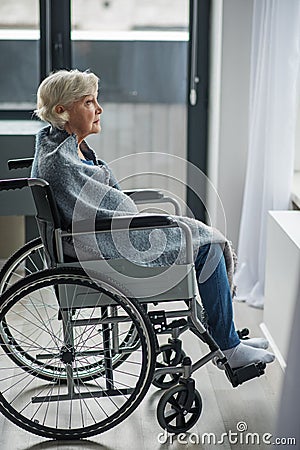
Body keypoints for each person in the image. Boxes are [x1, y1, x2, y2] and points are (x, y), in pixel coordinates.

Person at [31, 69, 275, 370]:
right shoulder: (62, 163)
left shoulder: (61, 148)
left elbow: (95, 205)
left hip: (105, 238)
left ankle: (227, 335)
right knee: (207, 246)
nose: (99, 109)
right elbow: (95, 216)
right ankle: (230, 347)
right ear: (61, 111)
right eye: (89, 102)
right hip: (104, 249)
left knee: (195, 233)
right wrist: (143, 223)